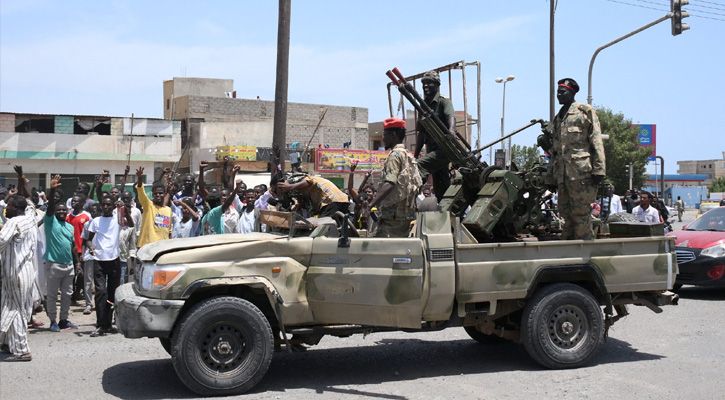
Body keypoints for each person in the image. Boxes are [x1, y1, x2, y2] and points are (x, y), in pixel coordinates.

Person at [544, 78, 606, 240]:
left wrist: (599, 169)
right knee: (565, 214)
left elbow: (596, 140)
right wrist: (551, 176)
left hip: (581, 174)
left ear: (572, 93)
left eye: (562, 92)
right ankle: (569, 250)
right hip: (563, 176)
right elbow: (555, 151)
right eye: (557, 92)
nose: (559, 95)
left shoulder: (584, 111)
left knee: (581, 214)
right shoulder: (558, 118)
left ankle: (584, 252)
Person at [0, 165, 38, 361]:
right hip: (26, 273)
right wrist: (22, 176)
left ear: (16, 208)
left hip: (16, 274)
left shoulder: (13, 223)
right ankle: (10, 344)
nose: (6, 207)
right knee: (16, 308)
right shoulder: (30, 217)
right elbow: (29, 199)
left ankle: (21, 350)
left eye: (9, 205)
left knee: (14, 310)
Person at [86, 197, 134, 337]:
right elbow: (88, 239)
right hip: (99, 260)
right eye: (104, 204)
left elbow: (130, 224)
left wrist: (124, 210)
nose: (106, 207)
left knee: (112, 294)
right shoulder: (95, 221)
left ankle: (108, 324)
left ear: (113, 206)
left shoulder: (117, 219)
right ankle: (100, 324)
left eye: (109, 204)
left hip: (114, 260)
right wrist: (91, 247)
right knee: (101, 292)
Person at [367, 118, 423, 238]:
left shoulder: (394, 155)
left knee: (377, 249)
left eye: (385, 134)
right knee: (398, 250)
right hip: (405, 214)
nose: (383, 138)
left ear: (393, 135)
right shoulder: (407, 155)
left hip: (392, 216)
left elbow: (390, 183)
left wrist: (370, 205)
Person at [43, 175, 81, 332]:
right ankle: (53, 321)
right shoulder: (50, 221)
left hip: (69, 266)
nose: (60, 211)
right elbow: (51, 207)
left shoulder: (69, 227)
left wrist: (77, 262)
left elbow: (72, 246)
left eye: (63, 210)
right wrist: (52, 191)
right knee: (52, 296)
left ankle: (64, 320)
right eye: (58, 210)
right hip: (53, 265)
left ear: (67, 212)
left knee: (67, 295)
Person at [414, 70, 456, 203]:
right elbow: (421, 132)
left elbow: (451, 116)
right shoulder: (423, 105)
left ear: (437, 84)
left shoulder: (444, 101)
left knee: (418, 167)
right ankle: (445, 210)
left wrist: (452, 130)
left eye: (429, 83)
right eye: (424, 83)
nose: (425, 86)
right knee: (440, 187)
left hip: (444, 149)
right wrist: (415, 154)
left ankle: (411, 195)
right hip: (433, 150)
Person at [277, 175, 349, 218]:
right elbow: (313, 209)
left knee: (322, 228)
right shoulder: (311, 193)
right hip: (343, 200)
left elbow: (310, 181)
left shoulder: (306, 179)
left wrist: (291, 187)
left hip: (332, 200)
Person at [135, 166, 172, 247]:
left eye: (160, 193)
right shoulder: (148, 205)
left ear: (164, 194)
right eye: (155, 193)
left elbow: (169, 232)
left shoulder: (168, 210)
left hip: (162, 248)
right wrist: (140, 178)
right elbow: (141, 191)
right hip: (146, 247)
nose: (158, 195)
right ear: (152, 195)